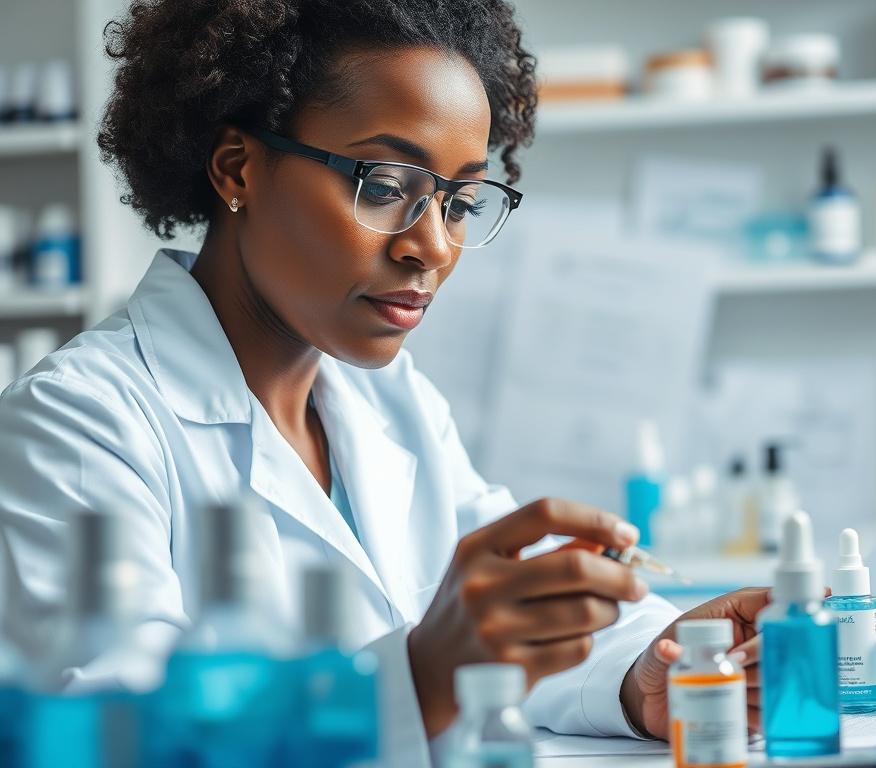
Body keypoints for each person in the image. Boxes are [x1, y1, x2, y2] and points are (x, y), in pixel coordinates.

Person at [0, 2, 766, 764]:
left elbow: (514, 622)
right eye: (383, 183)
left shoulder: (393, 402)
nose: (430, 245)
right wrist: (423, 677)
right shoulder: (77, 424)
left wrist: (649, 672)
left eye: (461, 201)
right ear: (238, 169)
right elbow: (114, 737)